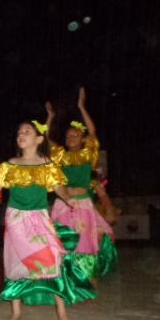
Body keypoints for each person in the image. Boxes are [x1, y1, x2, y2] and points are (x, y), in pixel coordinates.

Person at [0, 121, 95, 320]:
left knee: (52, 261)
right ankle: (16, 312)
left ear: (38, 139)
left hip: (39, 218)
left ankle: (62, 313)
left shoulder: (47, 165)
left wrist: (66, 198)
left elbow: (59, 189)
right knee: (15, 264)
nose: (21, 134)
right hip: (16, 218)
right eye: (19, 132)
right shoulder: (10, 164)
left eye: (27, 131)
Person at [45, 87, 118, 286]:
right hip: (64, 203)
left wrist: (81, 106)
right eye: (68, 136)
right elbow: (47, 139)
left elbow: (93, 131)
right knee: (61, 240)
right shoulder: (61, 155)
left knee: (87, 243)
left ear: (83, 138)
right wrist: (50, 117)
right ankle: (63, 280)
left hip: (84, 204)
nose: (71, 138)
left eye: (75, 135)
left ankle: (90, 281)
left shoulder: (88, 154)